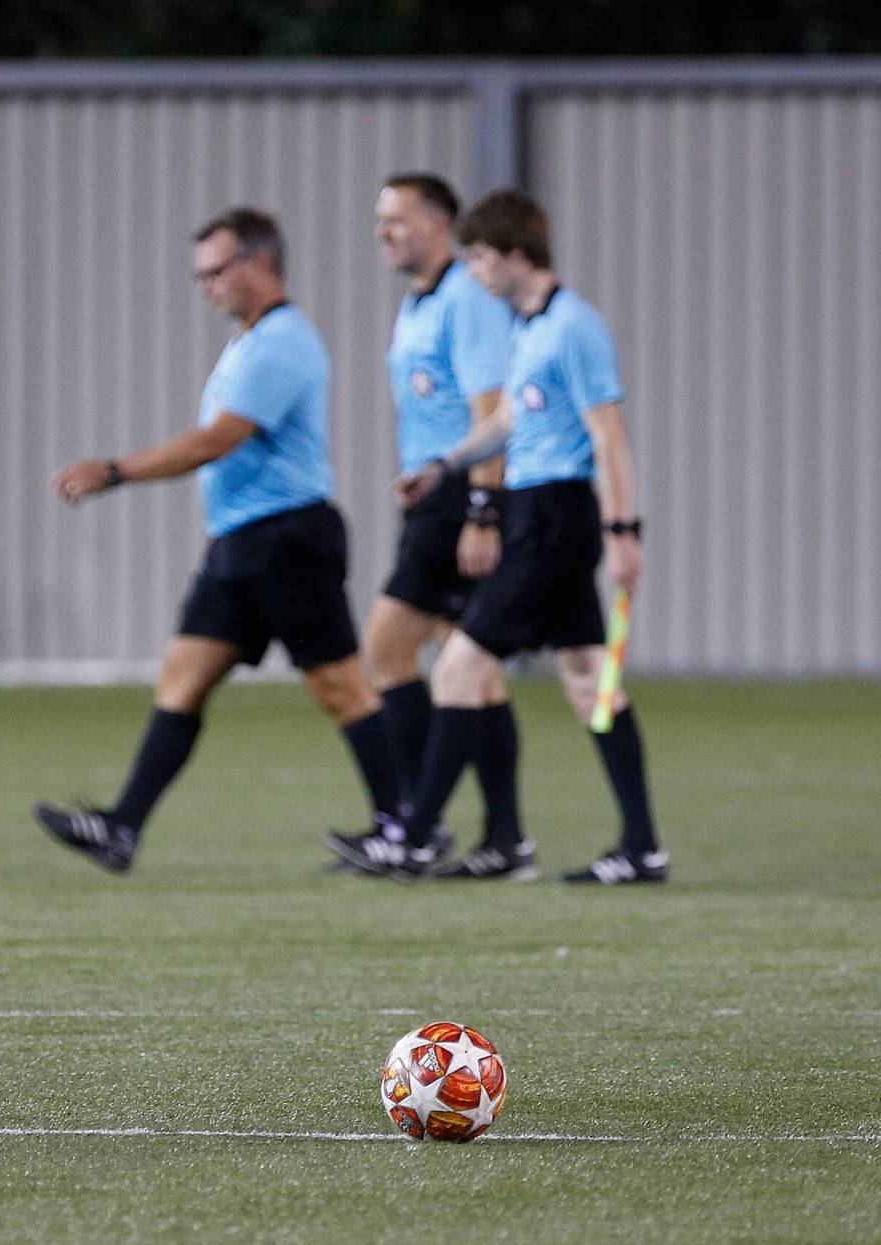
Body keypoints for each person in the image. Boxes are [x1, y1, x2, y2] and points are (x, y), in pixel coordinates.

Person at [33, 207, 401, 874]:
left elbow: (214, 442)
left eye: (215, 272)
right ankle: (122, 829)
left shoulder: (285, 341)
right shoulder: (249, 341)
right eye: (199, 275)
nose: (206, 286)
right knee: (183, 676)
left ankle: (401, 829)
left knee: (339, 688)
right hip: (240, 543)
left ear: (259, 264)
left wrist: (113, 471)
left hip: (289, 536)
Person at [327, 189, 667, 885]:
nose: (475, 272)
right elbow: (507, 419)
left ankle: (417, 836)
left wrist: (623, 532)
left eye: (482, 258)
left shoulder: (574, 327)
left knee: (459, 667)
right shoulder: (527, 328)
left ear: (516, 256)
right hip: (533, 513)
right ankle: (641, 847)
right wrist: (440, 466)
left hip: (555, 520)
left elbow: (609, 439)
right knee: (587, 682)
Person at [334, 172, 530, 870]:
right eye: (379, 220)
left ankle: (417, 825)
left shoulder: (466, 301)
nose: (384, 232)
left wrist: (483, 511)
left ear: (437, 223)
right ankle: (501, 838)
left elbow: (491, 415)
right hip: (432, 499)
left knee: (388, 649)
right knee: (469, 669)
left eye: (397, 219)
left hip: (460, 501)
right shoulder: (420, 303)